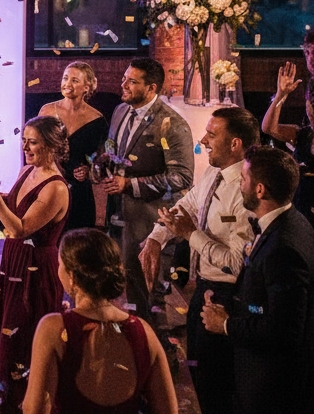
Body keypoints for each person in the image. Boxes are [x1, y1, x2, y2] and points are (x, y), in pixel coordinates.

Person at [139, 107, 259, 414]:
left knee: (219, 386)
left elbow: (236, 262)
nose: (203, 140)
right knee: (200, 374)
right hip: (203, 289)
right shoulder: (213, 172)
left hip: (229, 299)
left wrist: (191, 235)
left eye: (212, 134)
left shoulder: (246, 190)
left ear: (235, 144)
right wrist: (156, 237)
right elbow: (186, 205)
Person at [200, 145, 314, 413]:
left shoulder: (284, 248)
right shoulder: (293, 221)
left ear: (260, 190)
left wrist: (226, 325)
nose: (239, 185)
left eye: (243, 180)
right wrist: (233, 306)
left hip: (270, 387)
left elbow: (283, 331)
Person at [23, 228, 178, 414]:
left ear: (71, 276)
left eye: (59, 264)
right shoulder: (144, 332)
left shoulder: (53, 328)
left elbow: (34, 410)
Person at [0, 116, 71, 414]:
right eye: (24, 139)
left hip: (36, 270)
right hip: (11, 262)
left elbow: (19, 228)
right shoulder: (27, 169)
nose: (25, 147)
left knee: (23, 344)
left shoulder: (56, 188)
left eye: (33, 142)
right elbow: (15, 205)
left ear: (52, 146)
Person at [102, 58, 193, 326]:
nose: (124, 84)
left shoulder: (173, 124)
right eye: (124, 78)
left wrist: (130, 185)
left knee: (150, 293)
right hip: (119, 215)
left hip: (150, 220)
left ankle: (160, 354)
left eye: (132, 81)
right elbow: (111, 145)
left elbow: (181, 176)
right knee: (127, 283)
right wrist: (102, 161)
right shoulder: (120, 110)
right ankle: (135, 342)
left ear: (151, 88)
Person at [38, 63, 108, 231]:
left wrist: (88, 170)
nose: (67, 84)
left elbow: (101, 161)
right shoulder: (46, 112)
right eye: (65, 78)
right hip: (48, 186)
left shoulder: (98, 120)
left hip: (79, 193)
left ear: (87, 87)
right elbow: (32, 149)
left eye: (74, 80)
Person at [261, 31, 314, 230]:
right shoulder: (305, 135)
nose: (310, 58)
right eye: (307, 52)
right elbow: (269, 128)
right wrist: (281, 95)